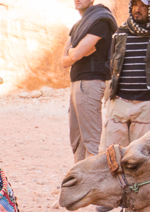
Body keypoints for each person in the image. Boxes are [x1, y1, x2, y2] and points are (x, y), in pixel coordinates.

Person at [103, 1, 150, 148]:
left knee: (141, 158)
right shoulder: (121, 32)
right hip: (119, 104)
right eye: (134, 5)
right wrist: (110, 97)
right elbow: (110, 64)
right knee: (112, 156)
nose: (137, 9)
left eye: (143, 6)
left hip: (149, 105)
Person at [62, 0, 117, 162]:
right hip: (77, 83)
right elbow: (63, 61)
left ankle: (94, 183)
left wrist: (74, 53)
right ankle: (80, 181)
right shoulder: (79, 26)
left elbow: (75, 56)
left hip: (91, 82)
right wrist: (75, 52)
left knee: (92, 141)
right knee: (77, 139)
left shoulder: (100, 21)